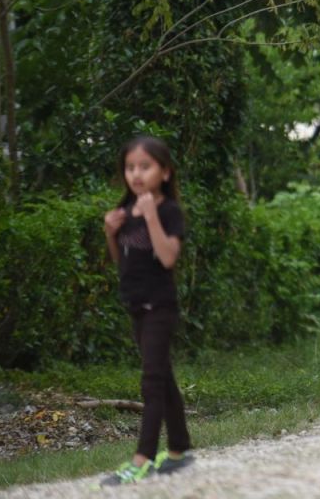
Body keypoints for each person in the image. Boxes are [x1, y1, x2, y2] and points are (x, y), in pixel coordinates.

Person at [99, 136, 193, 486]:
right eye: (130, 167)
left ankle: (143, 458)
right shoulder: (125, 207)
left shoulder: (168, 211)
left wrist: (151, 214)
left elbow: (168, 257)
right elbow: (121, 262)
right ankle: (180, 450)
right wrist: (111, 233)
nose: (136, 174)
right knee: (163, 377)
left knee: (152, 381)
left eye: (145, 167)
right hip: (136, 305)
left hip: (160, 306)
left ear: (165, 172)